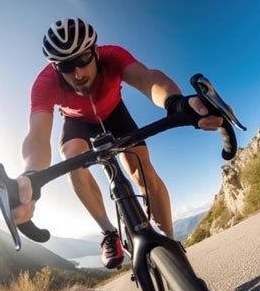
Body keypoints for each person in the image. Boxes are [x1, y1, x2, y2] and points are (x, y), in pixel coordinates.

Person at [13, 18, 222, 269]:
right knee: (71, 156)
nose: (77, 73)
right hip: (77, 123)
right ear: (56, 68)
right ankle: (109, 233)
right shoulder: (45, 83)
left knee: (140, 169)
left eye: (82, 60)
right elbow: (37, 134)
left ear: (95, 52)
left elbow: (148, 80)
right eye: (67, 66)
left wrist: (176, 103)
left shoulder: (112, 55)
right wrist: (30, 174)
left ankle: (170, 240)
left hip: (114, 114)